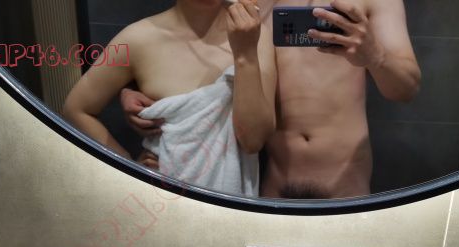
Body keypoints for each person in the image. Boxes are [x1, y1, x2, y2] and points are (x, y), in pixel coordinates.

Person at [122, 0, 420, 198]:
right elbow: (188, 45)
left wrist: (375, 55)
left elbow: (407, 89)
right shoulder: (252, 1)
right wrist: (135, 87)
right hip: (272, 188)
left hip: (346, 187)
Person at [63, 0, 276, 196]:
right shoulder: (137, 39)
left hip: (230, 209)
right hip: (160, 205)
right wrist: (128, 166)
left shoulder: (254, 37)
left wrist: (245, 55)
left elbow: (253, 140)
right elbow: (76, 109)